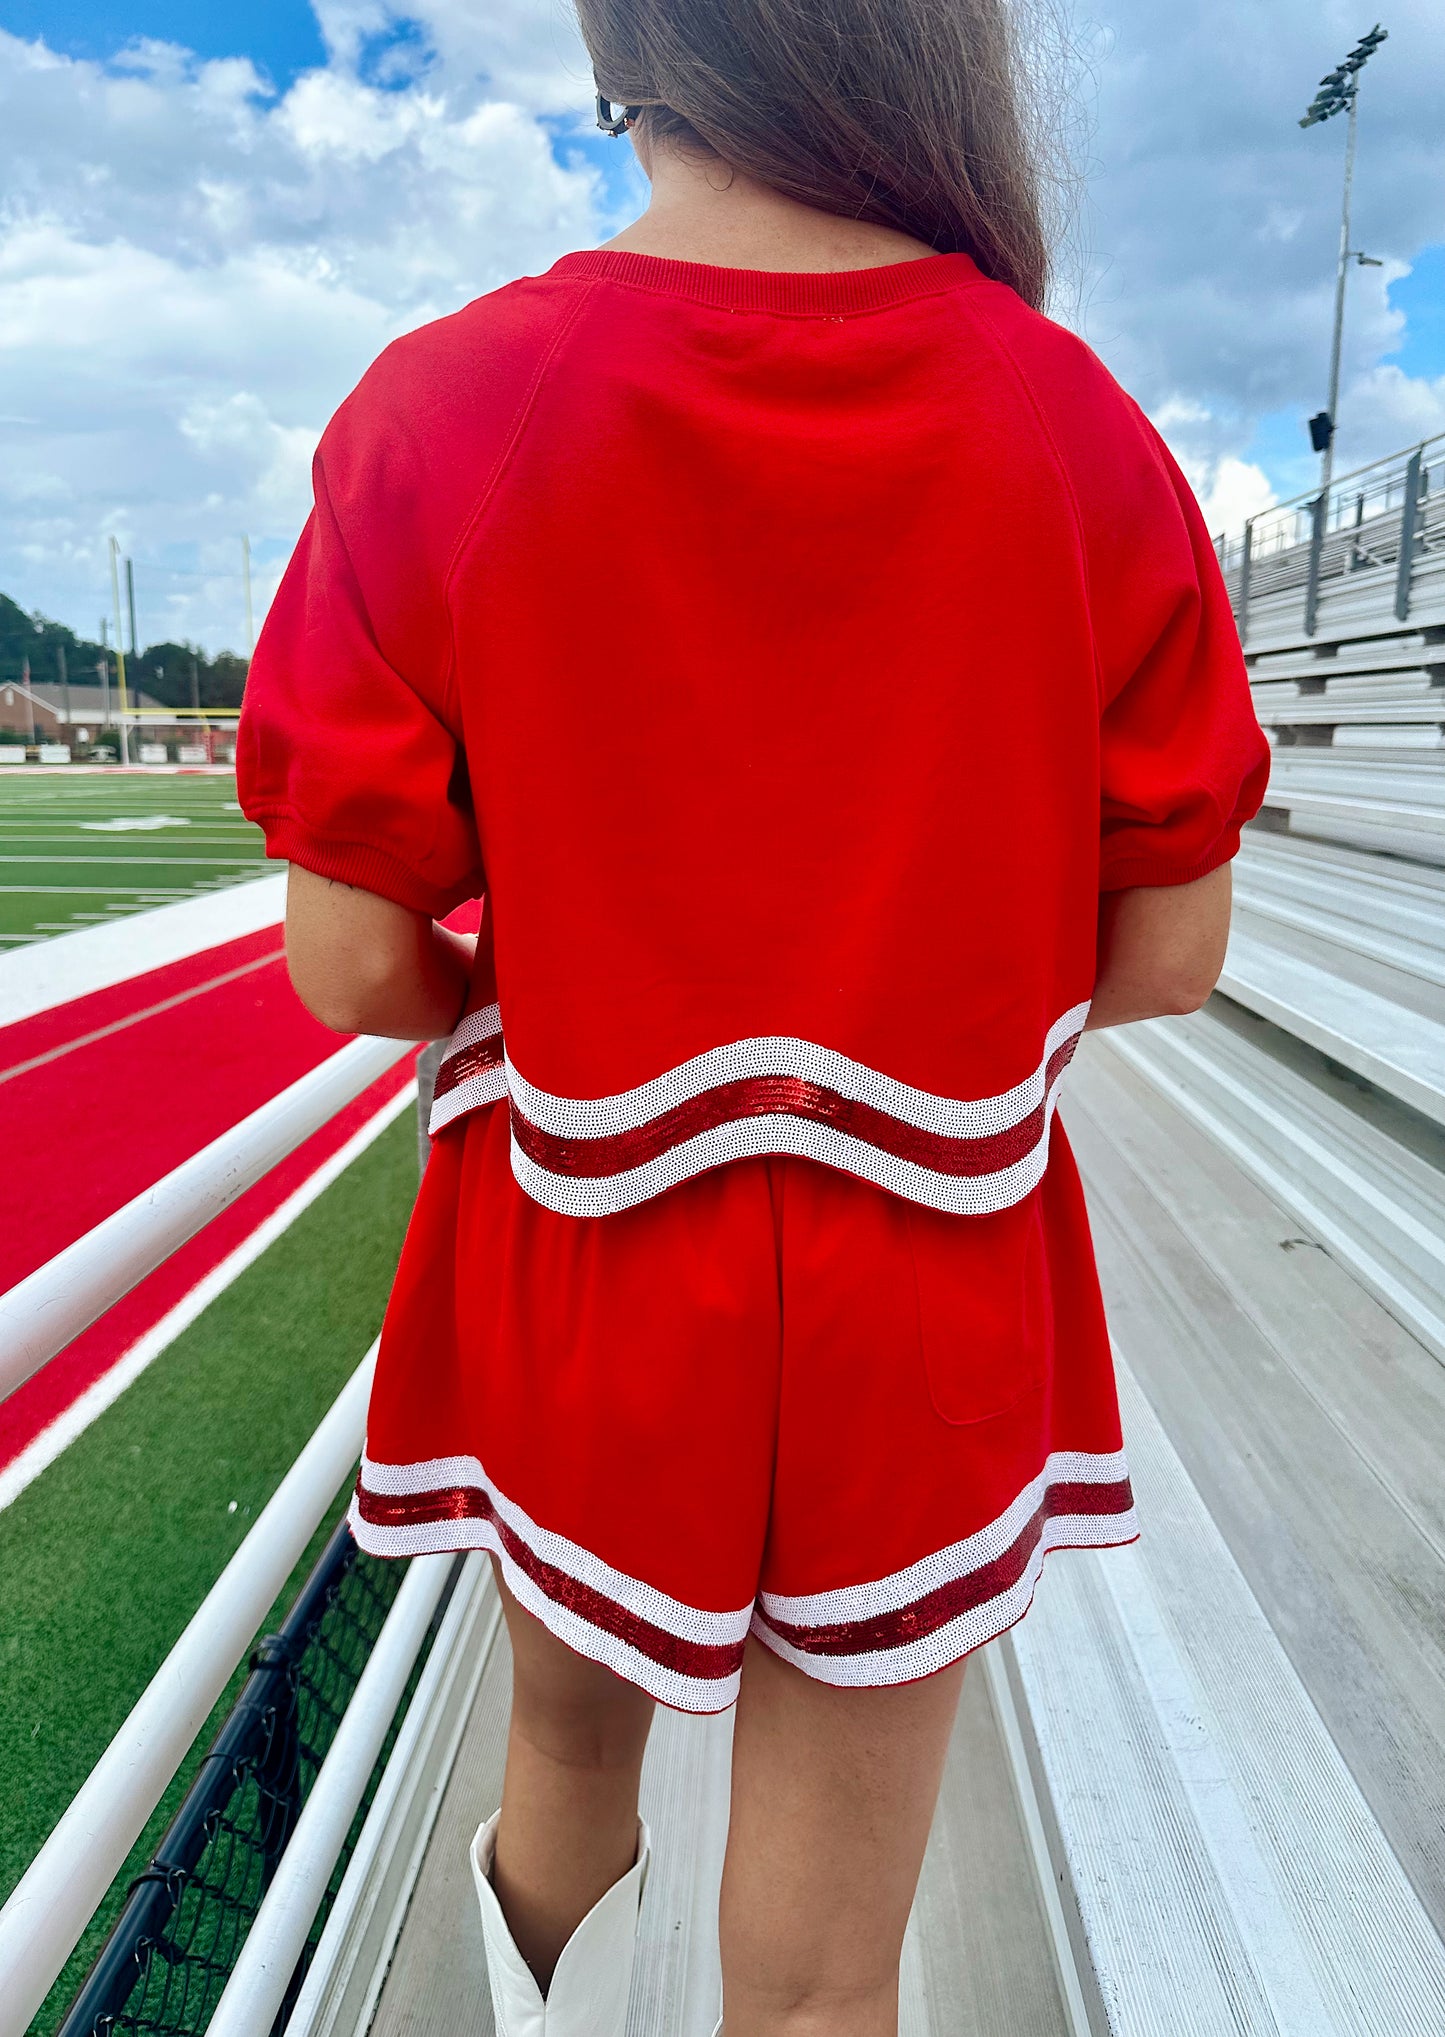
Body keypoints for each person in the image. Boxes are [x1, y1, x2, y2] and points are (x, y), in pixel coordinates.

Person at [237, 1, 1270, 2029]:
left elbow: (350, 959)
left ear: (634, 41)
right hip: (933, 1262)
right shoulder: (1073, 426)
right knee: (818, 1984)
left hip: (583, 1236)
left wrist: (535, 1003)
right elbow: (1169, 944)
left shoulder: (448, 405)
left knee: (563, 1773)